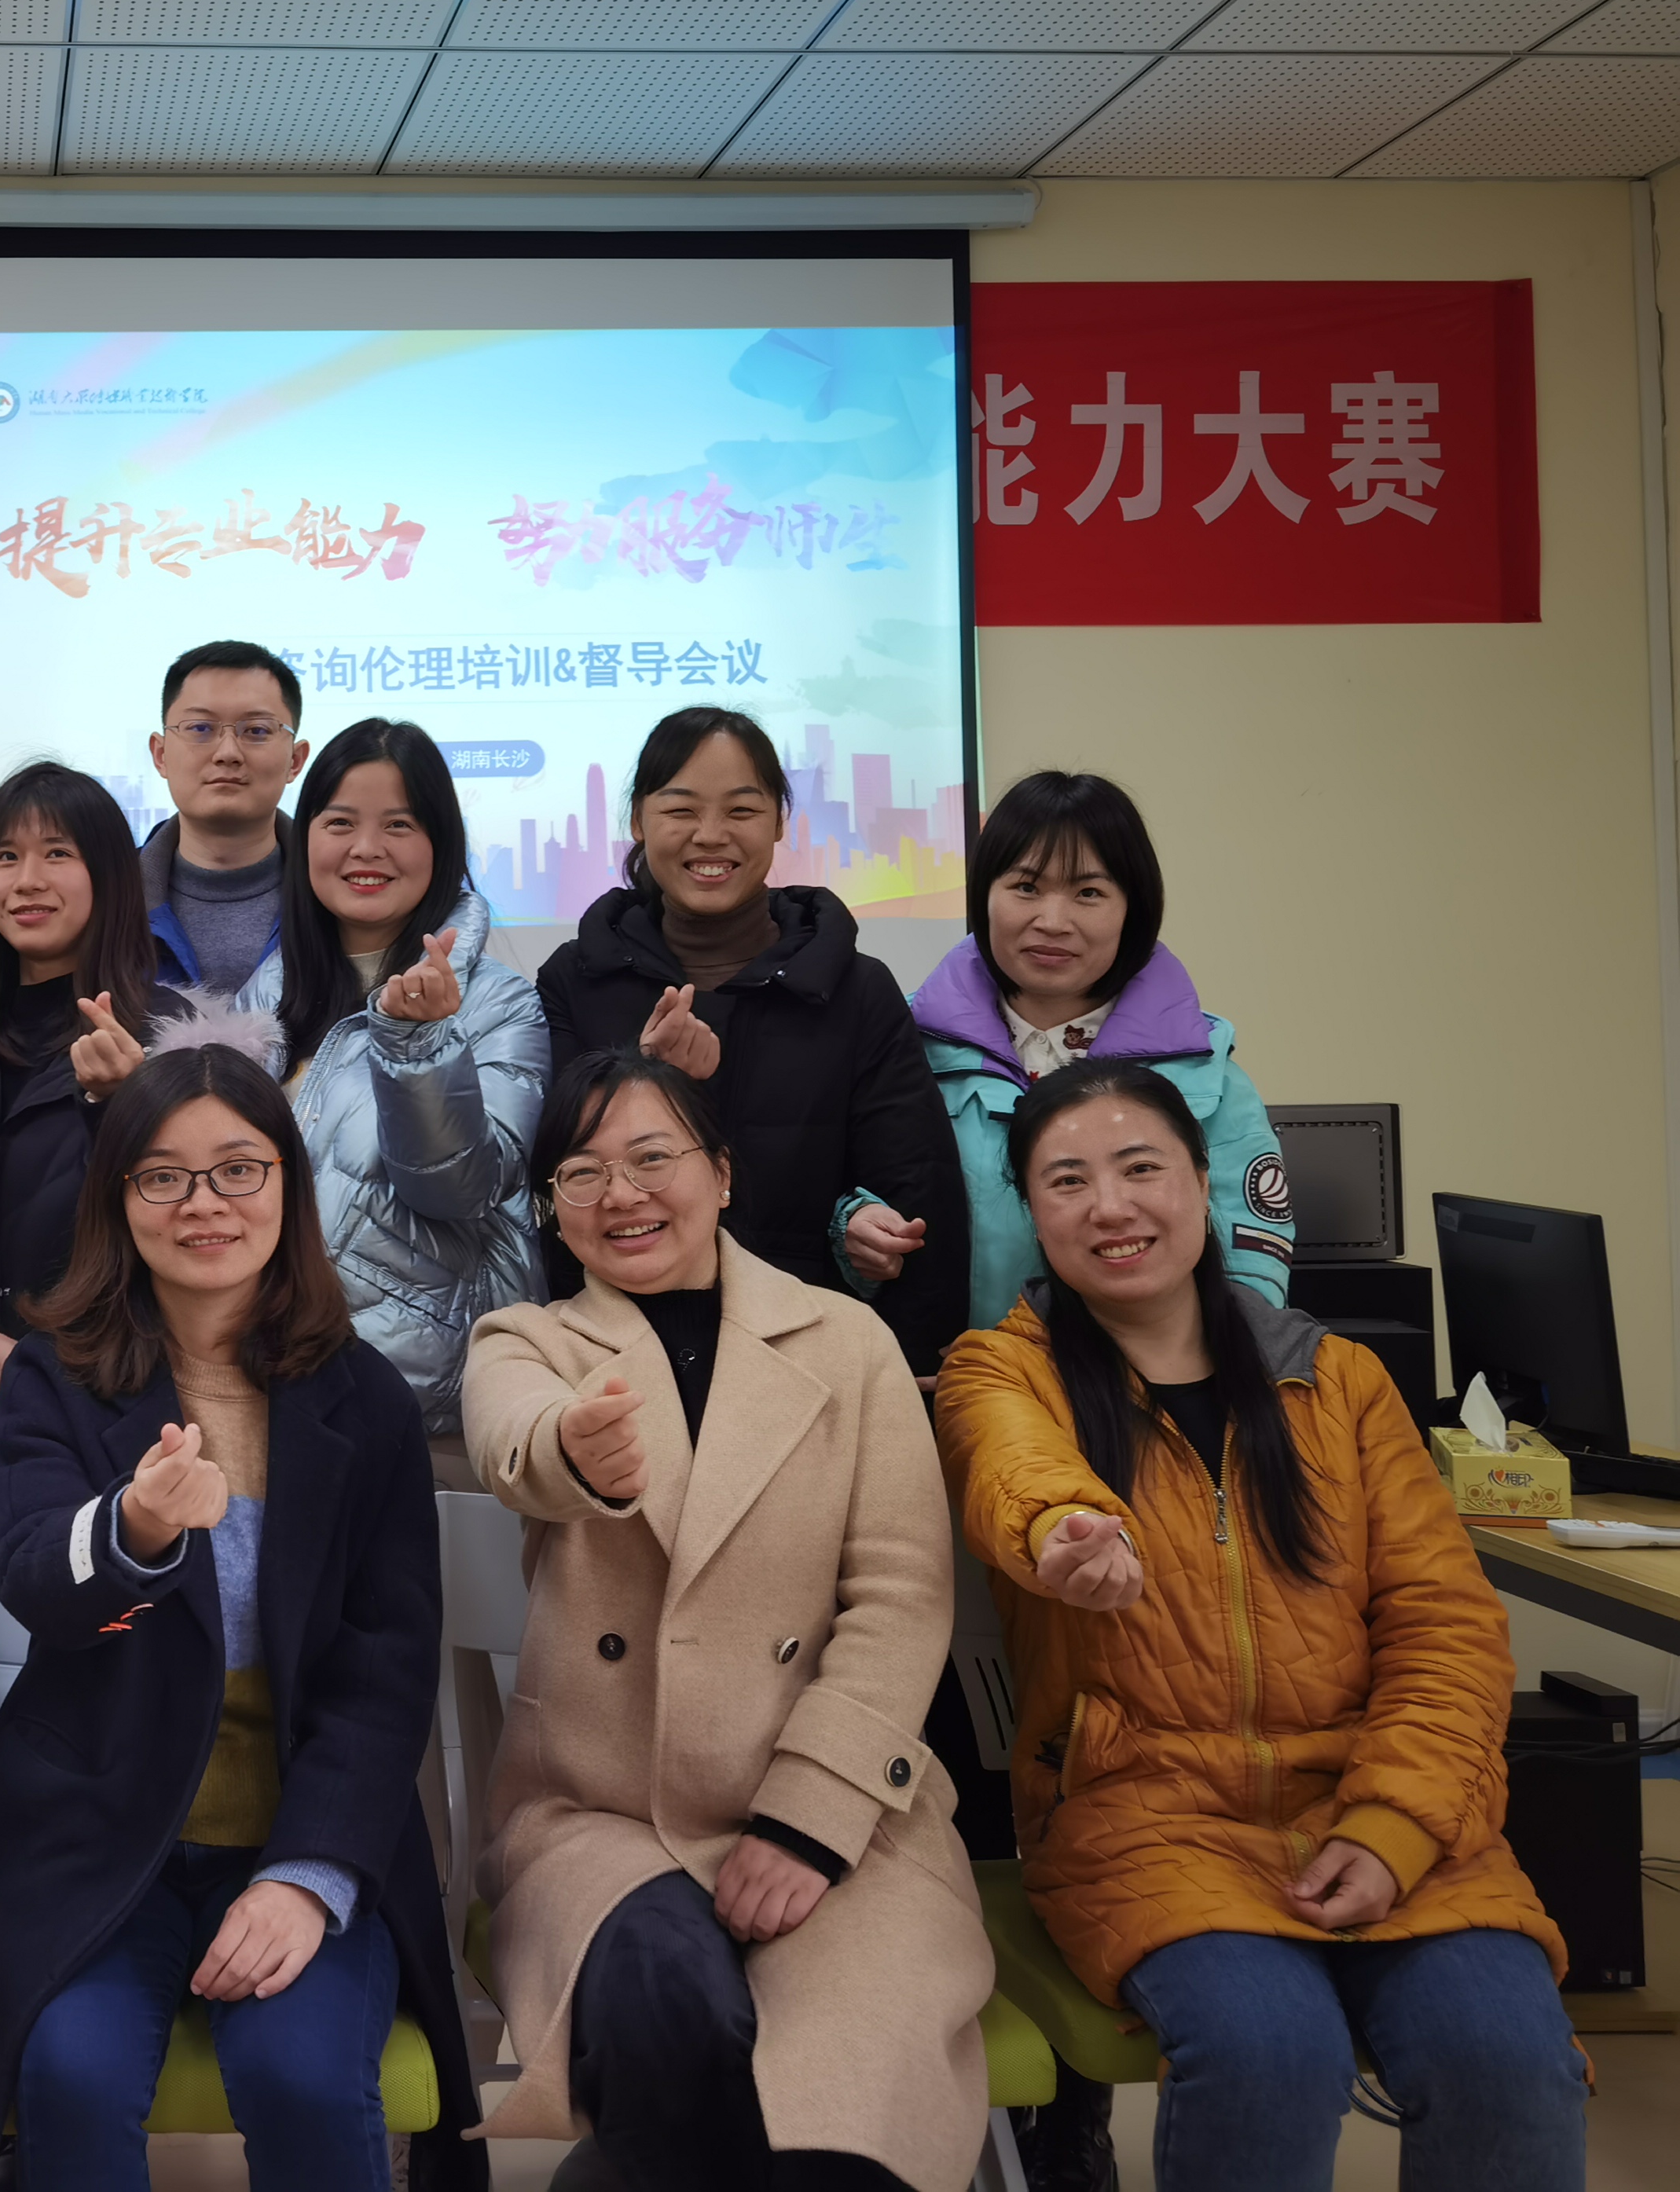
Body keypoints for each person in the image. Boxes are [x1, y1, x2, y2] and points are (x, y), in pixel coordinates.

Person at [935, 1059, 1583, 2192]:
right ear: (1033, 1213)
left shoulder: (1340, 1382)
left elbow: (1445, 1627)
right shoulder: (1002, 1369)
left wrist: (1393, 1826)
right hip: (1147, 1823)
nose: (1111, 1206)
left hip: (1378, 1798)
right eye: (1068, 1182)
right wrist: (1064, 1532)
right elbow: (1012, 1469)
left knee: (1509, 2061)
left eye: (1141, 1168)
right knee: (1269, 2054)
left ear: (1202, 1182)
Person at [0, 1044, 484, 2192]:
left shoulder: (366, 1401)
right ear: (116, 1199)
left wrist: (306, 1879)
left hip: (300, 1832)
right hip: (95, 1841)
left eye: (239, 1169)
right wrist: (136, 1525)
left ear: (288, 1185)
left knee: (303, 2074)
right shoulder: (55, 1377)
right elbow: (34, 1576)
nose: (204, 1204)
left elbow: (384, 1673)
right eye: (163, 1176)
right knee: (73, 2075)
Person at [461, 1049, 992, 2192]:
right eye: (581, 1173)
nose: (622, 1194)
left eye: (653, 1157)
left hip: (845, 1806)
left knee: (843, 2123)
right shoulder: (528, 1340)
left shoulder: (850, 1342)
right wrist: (574, 1451)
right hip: (598, 1814)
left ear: (724, 1174)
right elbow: (516, 1441)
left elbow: (902, 1595)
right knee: (666, 2014)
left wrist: (808, 1821)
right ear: (552, 1206)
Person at [534, 706, 967, 1374]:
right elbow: (560, 1185)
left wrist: (908, 1370)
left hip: (812, 1345)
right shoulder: (576, 979)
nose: (711, 835)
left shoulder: (856, 988)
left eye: (742, 810)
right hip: (622, 1350)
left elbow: (916, 1190)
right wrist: (651, 1083)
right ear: (638, 821)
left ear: (780, 821)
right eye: (680, 810)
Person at [238, 717, 545, 1481]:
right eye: (340, 823)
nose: (366, 848)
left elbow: (459, 1188)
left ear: (439, 843)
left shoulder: (500, 1005)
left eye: (398, 825)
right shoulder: (264, 997)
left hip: (420, 1412)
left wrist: (421, 1046)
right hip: (267, 1390)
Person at [911, 769, 1293, 1332]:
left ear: (1132, 908)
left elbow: (1251, 1260)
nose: (1052, 922)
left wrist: (1182, 1370)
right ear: (984, 895)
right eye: (1026, 887)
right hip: (942, 1374)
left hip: (1139, 1380)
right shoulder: (903, 1044)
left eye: (1089, 893)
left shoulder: (1201, 1064)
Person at [0, 761, 193, 1492]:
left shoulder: (169, 1043)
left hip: (113, 1410)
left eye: (57, 853)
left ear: (109, 875)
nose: (26, 881)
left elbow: (188, 1236)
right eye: (6, 857)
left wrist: (121, 1110)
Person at [140, 640, 311, 1007]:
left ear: (295, 760)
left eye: (257, 731)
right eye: (201, 728)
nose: (228, 753)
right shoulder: (105, 897)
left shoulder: (338, 895)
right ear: (160, 754)